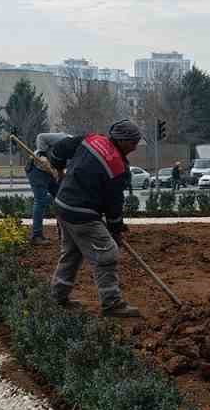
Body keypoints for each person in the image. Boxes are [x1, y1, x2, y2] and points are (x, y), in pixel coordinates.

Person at [48, 119, 143, 318]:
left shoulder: (91, 139)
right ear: (123, 140)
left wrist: (58, 168)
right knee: (107, 254)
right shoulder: (118, 168)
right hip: (82, 214)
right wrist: (115, 231)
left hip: (63, 206)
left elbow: (59, 148)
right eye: (133, 142)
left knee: (71, 254)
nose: (135, 147)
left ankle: (57, 297)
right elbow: (113, 205)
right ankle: (112, 304)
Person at [27, 131, 70, 242]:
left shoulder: (79, 156)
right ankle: (37, 236)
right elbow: (41, 137)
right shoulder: (64, 138)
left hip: (51, 172)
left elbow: (64, 168)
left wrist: (60, 175)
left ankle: (63, 233)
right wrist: (42, 155)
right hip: (37, 169)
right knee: (40, 201)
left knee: (62, 199)